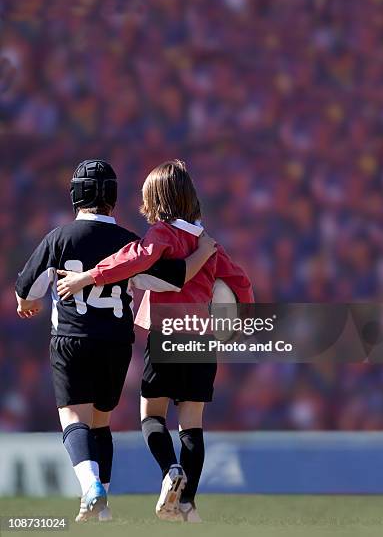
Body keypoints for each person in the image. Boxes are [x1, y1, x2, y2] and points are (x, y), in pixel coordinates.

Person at [15, 159, 217, 523]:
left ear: (75, 195)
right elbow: (173, 280)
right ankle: (104, 504)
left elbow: (26, 288)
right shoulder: (130, 241)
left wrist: (26, 302)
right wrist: (202, 252)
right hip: (116, 343)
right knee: (101, 422)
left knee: (73, 416)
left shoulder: (58, 238)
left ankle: (91, 488)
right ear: (114, 198)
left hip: (71, 338)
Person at [57, 159, 254, 523]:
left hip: (166, 336)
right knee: (192, 424)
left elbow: (132, 259)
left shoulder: (162, 235)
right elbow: (240, 281)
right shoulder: (209, 243)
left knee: (151, 416)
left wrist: (87, 278)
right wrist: (239, 320)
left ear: (156, 200)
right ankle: (188, 504)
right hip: (202, 341)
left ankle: (170, 471)